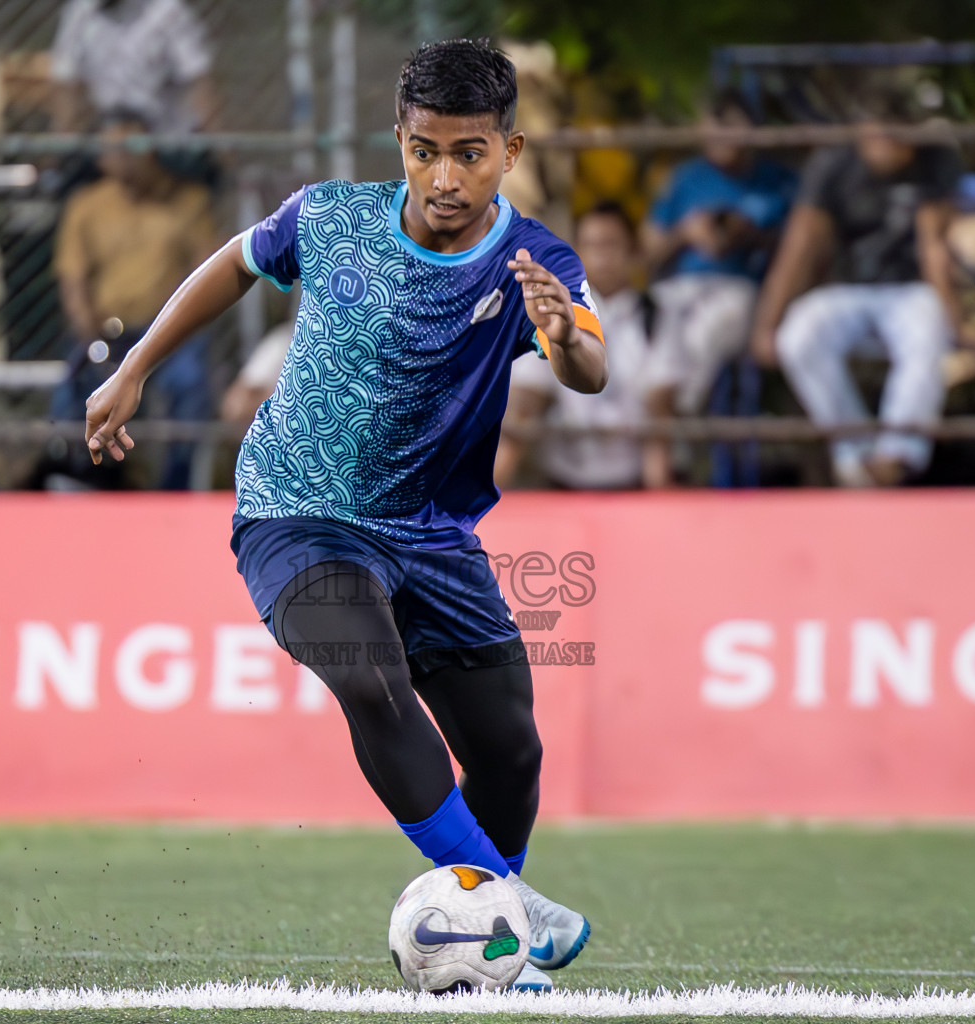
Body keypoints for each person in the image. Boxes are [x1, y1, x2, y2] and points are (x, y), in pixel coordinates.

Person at [82, 39, 605, 992]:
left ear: (511, 151)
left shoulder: (535, 260)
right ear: (398, 141)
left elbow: (591, 367)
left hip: (432, 534)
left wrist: (563, 333)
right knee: (369, 678)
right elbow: (234, 265)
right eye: (424, 150)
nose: (445, 176)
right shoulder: (329, 217)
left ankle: (493, 926)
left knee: (510, 747)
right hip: (296, 511)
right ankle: (509, 925)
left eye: (471, 154)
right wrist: (136, 366)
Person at [749, 87, 965, 488]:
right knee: (798, 336)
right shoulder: (834, 164)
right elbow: (800, 247)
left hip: (911, 290)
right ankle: (855, 451)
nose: (890, 145)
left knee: (930, 328)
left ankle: (896, 454)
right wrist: (769, 322)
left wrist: (956, 320)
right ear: (863, 132)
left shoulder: (935, 161)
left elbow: (935, 246)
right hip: (848, 289)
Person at [51, 109, 218, 488]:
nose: (126, 155)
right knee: (69, 392)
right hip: (106, 332)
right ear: (100, 156)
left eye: (136, 145)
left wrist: (169, 332)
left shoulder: (188, 201)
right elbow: (73, 284)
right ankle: (81, 481)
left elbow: (209, 272)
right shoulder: (86, 205)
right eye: (116, 147)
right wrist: (93, 342)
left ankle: (176, 488)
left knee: (190, 382)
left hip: (168, 333)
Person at [640, 88, 794, 465]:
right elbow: (647, 252)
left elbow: (797, 247)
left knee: (714, 323)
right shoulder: (685, 178)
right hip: (682, 286)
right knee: (660, 318)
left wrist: (747, 233)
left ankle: (679, 410)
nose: (722, 139)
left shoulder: (777, 181)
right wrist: (687, 232)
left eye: (732, 129)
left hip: (744, 289)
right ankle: (671, 422)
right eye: (715, 128)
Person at [497, 201, 656, 490]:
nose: (601, 256)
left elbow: (662, 412)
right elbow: (525, 404)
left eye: (610, 245)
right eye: (591, 246)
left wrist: (662, 505)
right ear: (576, 252)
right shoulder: (553, 309)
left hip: (636, 485)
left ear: (634, 251)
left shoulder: (655, 317)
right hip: (564, 484)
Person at [50, 0, 218, 138]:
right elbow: (65, 85)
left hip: (165, 141)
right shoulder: (79, 12)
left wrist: (218, 147)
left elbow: (199, 82)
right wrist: (62, 148)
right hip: (108, 140)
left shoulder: (167, 10)